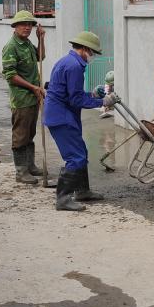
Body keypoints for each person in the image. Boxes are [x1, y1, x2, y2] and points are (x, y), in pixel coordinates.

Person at [44, 31, 115, 211]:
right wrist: (102, 102)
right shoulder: (74, 66)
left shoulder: (66, 62)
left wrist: (90, 94)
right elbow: (75, 99)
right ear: (84, 49)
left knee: (80, 152)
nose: (92, 56)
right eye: (91, 52)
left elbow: (71, 93)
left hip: (60, 114)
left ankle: (82, 191)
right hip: (62, 117)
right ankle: (63, 199)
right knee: (75, 157)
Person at [1, 10, 46, 184]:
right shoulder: (11, 47)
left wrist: (41, 39)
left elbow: (40, 56)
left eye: (30, 24)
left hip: (33, 97)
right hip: (21, 99)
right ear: (15, 26)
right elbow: (10, 75)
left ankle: (30, 166)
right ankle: (21, 172)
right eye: (23, 24)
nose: (27, 27)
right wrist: (33, 87)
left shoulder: (27, 43)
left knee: (30, 133)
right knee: (20, 135)